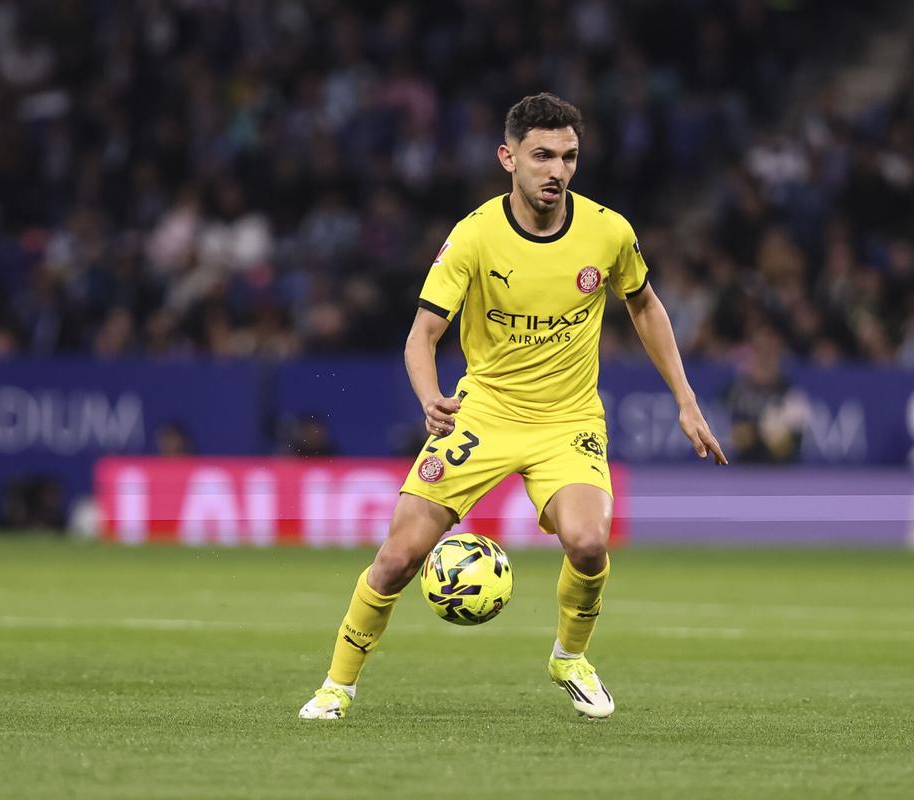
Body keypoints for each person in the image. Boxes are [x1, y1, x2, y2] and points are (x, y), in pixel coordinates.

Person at [299, 93, 726, 721]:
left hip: (567, 420)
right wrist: (429, 399)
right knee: (398, 558)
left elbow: (644, 305)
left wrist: (685, 401)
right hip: (482, 416)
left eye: (569, 157)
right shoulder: (474, 237)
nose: (557, 171)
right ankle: (337, 686)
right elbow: (422, 335)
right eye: (542, 156)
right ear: (509, 158)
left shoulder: (609, 232)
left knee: (588, 544)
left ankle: (569, 658)